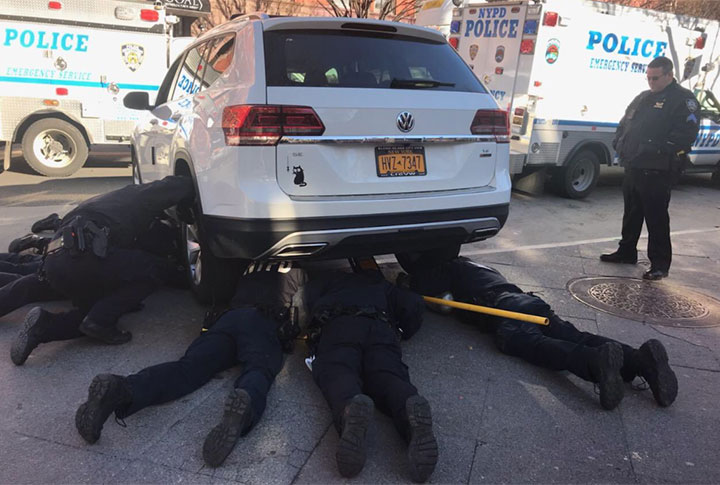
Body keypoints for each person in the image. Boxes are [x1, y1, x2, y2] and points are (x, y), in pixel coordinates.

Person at [74, 261, 306, 469]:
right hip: (263, 320)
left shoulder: (249, 265)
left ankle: (122, 389)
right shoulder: (300, 270)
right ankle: (245, 406)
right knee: (259, 368)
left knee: (188, 368)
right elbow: (303, 313)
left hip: (228, 319)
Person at [403, 257, 678, 410]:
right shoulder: (480, 267)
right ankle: (641, 360)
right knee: (576, 334)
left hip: (504, 311)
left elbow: (428, 293)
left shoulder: (446, 268)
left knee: (529, 343)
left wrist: (409, 285)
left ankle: (594, 364)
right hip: (529, 302)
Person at [9, 177, 194, 365]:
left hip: (54, 262)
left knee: (93, 314)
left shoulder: (103, 205)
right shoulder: (139, 196)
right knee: (155, 269)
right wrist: (187, 209)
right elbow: (182, 183)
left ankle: (44, 327)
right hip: (84, 258)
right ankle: (99, 321)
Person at [304, 269, 438, 483]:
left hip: (340, 324)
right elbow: (413, 303)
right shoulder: (381, 283)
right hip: (379, 325)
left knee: (338, 370)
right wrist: (403, 331)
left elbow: (308, 303)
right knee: (387, 375)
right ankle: (407, 404)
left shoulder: (325, 279)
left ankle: (350, 407)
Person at [601, 56, 700, 280]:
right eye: (648, 78)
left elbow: (687, 134)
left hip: (658, 169)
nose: (651, 82)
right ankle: (626, 251)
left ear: (669, 75)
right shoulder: (643, 97)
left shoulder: (684, 100)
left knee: (656, 218)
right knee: (631, 213)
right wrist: (619, 142)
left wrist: (656, 149)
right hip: (634, 165)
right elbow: (625, 122)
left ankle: (660, 264)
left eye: (655, 78)